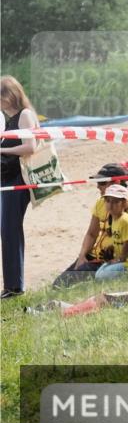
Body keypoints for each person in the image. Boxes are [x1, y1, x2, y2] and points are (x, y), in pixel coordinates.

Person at [53, 164, 128, 288]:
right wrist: (82, 256)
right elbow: (91, 234)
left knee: (75, 284)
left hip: (115, 260)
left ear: (117, 182)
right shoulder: (101, 202)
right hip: (96, 256)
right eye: (98, 182)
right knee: (58, 284)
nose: (98, 186)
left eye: (102, 182)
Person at [1, 76, 39, 299]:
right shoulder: (11, 118)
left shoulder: (24, 115)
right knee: (7, 230)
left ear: (8, 96)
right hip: (8, 179)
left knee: (10, 230)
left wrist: (3, 151)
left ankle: (15, 287)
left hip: (18, 179)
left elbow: (30, 146)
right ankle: (12, 285)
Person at [87, 184, 128, 280]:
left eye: (115, 202)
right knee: (99, 273)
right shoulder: (113, 219)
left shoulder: (125, 220)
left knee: (100, 276)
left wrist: (118, 260)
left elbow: (127, 245)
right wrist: (110, 250)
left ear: (124, 203)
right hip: (122, 261)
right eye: (108, 201)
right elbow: (117, 238)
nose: (110, 205)